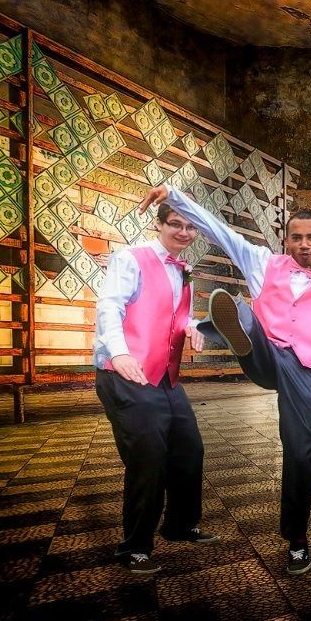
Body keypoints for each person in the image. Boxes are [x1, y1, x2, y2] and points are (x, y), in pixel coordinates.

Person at [138, 183, 311, 575]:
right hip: (267, 352)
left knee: (301, 449)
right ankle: (237, 327)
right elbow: (217, 228)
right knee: (240, 309)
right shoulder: (262, 262)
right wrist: (173, 196)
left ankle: (297, 539)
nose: (304, 244)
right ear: (285, 240)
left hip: (304, 368)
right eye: (296, 238)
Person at [94, 203, 216, 574]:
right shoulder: (130, 258)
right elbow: (109, 306)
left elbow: (177, 316)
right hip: (125, 373)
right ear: (159, 224)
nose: (183, 232)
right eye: (175, 224)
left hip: (164, 375)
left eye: (190, 227)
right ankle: (134, 547)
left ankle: (180, 524)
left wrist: (193, 326)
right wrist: (120, 353)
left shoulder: (184, 271)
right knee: (148, 456)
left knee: (189, 447)